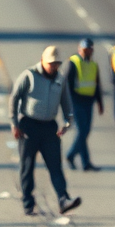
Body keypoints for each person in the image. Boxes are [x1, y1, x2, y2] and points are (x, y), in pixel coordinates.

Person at [9, 45, 82, 216]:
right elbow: (14, 97)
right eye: (51, 64)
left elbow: (66, 103)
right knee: (27, 166)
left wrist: (67, 122)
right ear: (43, 61)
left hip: (49, 127)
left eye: (57, 64)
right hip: (29, 126)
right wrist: (14, 124)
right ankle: (28, 203)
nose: (54, 67)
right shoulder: (29, 75)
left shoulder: (60, 79)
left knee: (55, 166)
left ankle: (64, 199)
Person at [65, 38, 104, 171]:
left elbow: (96, 84)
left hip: (89, 102)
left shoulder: (93, 65)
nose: (88, 51)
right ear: (80, 49)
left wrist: (100, 102)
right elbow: (67, 84)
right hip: (77, 101)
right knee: (82, 131)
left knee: (85, 132)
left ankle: (84, 162)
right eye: (85, 49)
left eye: (90, 49)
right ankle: (73, 156)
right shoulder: (74, 63)